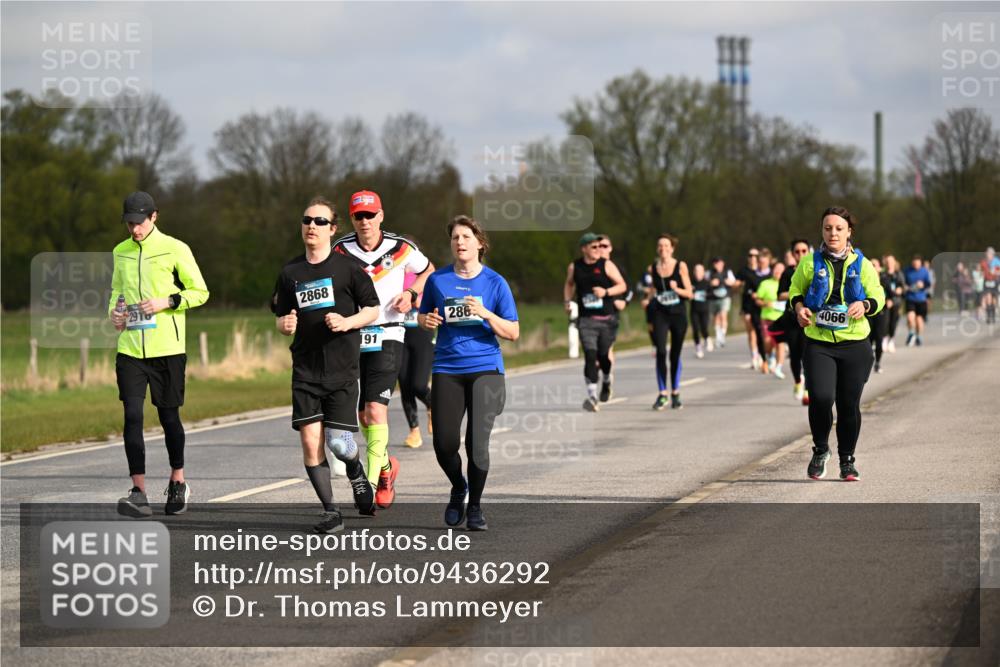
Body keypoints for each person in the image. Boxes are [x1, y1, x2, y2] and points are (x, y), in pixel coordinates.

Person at [272, 197, 381, 533]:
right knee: (309, 441)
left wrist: (348, 323)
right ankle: (331, 510)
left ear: (333, 229)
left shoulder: (348, 269)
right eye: (307, 220)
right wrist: (285, 325)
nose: (311, 227)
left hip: (342, 370)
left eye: (320, 222)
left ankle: (355, 470)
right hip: (305, 370)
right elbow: (280, 315)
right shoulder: (290, 272)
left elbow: (373, 310)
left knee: (339, 444)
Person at [110, 191, 209, 518]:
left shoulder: (175, 248)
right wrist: (115, 313)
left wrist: (168, 301)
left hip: (167, 349)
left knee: (169, 418)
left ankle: (177, 480)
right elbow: (116, 293)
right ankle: (138, 491)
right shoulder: (120, 251)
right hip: (130, 350)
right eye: (129, 224)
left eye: (139, 223)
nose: (134, 230)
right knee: (132, 417)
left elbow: (200, 291)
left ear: (154, 217)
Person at [333, 190, 434, 508]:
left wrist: (413, 295)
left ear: (381, 216)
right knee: (363, 413)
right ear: (352, 218)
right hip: (352, 335)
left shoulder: (401, 247)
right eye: (358, 216)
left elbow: (428, 271)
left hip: (389, 332)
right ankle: (387, 468)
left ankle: (370, 486)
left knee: (376, 410)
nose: (365, 221)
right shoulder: (340, 250)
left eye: (370, 215)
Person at [419, 215, 519, 531]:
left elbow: (513, 332)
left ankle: (474, 507)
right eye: (455, 238)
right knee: (445, 443)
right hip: (447, 367)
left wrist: (485, 312)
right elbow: (423, 316)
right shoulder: (438, 281)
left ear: (479, 243)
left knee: (477, 443)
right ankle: (459, 486)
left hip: (486, 369)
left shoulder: (495, 283)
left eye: (466, 236)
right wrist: (427, 322)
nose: (460, 242)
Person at [790, 206, 884, 482]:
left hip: (855, 344)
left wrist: (865, 304)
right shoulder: (809, 262)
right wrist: (798, 308)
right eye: (828, 228)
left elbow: (879, 296)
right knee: (820, 398)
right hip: (819, 342)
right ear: (822, 231)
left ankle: (847, 460)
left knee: (847, 404)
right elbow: (795, 290)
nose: (833, 233)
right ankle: (820, 450)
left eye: (839, 228)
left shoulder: (863, 265)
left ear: (848, 232)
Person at [564, 232, 627, 411]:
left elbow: (622, 285)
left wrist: (606, 293)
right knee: (590, 356)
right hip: (586, 320)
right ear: (584, 249)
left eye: (600, 246)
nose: (598, 249)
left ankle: (606, 380)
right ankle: (592, 396)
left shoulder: (606, 264)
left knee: (604, 357)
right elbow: (569, 284)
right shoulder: (574, 267)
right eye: (594, 247)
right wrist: (568, 301)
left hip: (607, 320)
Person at [643, 234, 693, 410]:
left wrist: (676, 289)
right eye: (660, 246)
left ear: (672, 248)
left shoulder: (680, 266)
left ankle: (676, 393)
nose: (663, 248)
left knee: (674, 355)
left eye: (666, 245)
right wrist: (647, 298)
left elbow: (689, 293)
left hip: (678, 314)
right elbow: (654, 289)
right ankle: (662, 393)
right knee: (661, 351)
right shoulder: (653, 268)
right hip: (660, 314)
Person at [397, 263, 435, 448]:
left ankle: (432, 405)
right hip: (399, 334)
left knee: (418, 384)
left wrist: (414, 300)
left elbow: (429, 303)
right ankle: (414, 432)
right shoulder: (391, 275)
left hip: (422, 334)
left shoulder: (426, 277)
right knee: (404, 384)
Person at [777, 239, 811, 403]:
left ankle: (807, 390)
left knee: (807, 354)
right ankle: (798, 380)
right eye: (797, 252)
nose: (800, 254)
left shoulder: (813, 270)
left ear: (808, 251)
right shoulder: (788, 272)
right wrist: (796, 294)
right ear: (792, 254)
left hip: (809, 319)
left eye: (804, 251)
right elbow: (780, 294)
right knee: (795, 354)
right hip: (791, 318)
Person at [596, 234, 633, 370]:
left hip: (611, 313)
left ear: (610, 248)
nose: (601, 249)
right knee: (594, 351)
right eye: (598, 246)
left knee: (607, 347)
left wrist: (624, 302)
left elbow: (630, 289)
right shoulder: (589, 267)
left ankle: (608, 381)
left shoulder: (617, 268)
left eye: (604, 246)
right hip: (592, 313)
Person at [734, 248, 768, 370]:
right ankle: (754, 356)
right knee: (751, 330)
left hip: (761, 304)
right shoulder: (743, 271)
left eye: (755, 255)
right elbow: (735, 285)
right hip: (748, 304)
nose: (752, 257)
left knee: (761, 331)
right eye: (750, 255)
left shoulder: (762, 271)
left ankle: (763, 353)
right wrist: (736, 285)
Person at [754, 260, 786, 379]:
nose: (778, 272)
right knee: (768, 341)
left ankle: (779, 367)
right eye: (776, 269)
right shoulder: (765, 283)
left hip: (782, 319)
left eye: (780, 270)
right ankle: (770, 355)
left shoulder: (788, 284)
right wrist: (764, 303)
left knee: (780, 343)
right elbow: (757, 299)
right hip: (767, 318)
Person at [867, 257, 891, 373]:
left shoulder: (884, 279)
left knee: (879, 338)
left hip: (881, 312)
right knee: (868, 339)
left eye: (875, 265)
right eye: (871, 265)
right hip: (868, 313)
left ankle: (878, 362)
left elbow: (891, 293)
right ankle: (869, 362)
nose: (873, 267)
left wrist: (890, 300)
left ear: (879, 268)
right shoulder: (865, 279)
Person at [707, 257, 736, 350]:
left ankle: (722, 335)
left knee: (723, 315)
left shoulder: (728, 272)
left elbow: (734, 282)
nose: (718, 265)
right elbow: (703, 283)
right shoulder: (709, 273)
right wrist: (711, 283)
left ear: (723, 263)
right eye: (716, 263)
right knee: (716, 317)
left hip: (725, 297)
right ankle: (718, 336)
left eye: (719, 263)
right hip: (713, 298)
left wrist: (729, 282)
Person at [903, 255, 932, 347]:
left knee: (919, 321)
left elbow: (928, 284)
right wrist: (906, 287)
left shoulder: (924, 271)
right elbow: (902, 282)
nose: (916, 265)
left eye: (917, 263)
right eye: (914, 263)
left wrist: (922, 285)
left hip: (921, 299)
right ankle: (911, 333)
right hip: (910, 298)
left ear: (920, 263)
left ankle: (918, 336)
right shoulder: (907, 270)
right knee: (910, 318)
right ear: (912, 263)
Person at [882, 255, 905, 353]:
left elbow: (902, 287)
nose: (889, 263)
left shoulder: (898, 274)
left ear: (894, 262)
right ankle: (884, 340)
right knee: (885, 322)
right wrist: (887, 299)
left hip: (896, 302)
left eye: (891, 261)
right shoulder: (883, 275)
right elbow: (881, 288)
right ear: (885, 263)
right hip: (886, 302)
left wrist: (900, 289)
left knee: (893, 322)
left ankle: (891, 340)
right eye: (888, 261)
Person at [689, 263, 711, 358]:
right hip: (694, 310)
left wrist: (705, 295)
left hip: (704, 310)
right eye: (696, 271)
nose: (698, 273)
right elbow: (686, 294)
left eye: (700, 271)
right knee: (695, 329)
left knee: (704, 328)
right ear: (694, 272)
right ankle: (698, 348)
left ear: (703, 272)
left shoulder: (707, 283)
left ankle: (707, 338)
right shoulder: (690, 283)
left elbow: (713, 294)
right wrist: (690, 295)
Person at [980, 247, 1000, 324]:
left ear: (993, 254)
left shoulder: (997, 261)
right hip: (987, 281)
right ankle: (989, 316)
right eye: (987, 253)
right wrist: (982, 273)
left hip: (995, 281)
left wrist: (994, 272)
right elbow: (981, 271)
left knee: (994, 298)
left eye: (990, 253)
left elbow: (999, 272)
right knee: (988, 297)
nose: (988, 255)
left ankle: (993, 315)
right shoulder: (984, 262)